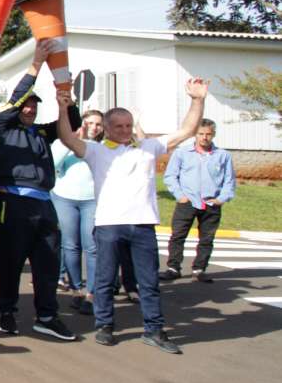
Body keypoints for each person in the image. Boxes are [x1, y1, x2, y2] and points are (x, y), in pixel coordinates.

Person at [55, 77, 210, 354]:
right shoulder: (96, 150)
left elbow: (186, 130)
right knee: (104, 279)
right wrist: (63, 109)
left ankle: (154, 329)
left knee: (148, 281)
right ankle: (104, 325)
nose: (125, 130)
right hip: (108, 225)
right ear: (107, 128)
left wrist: (197, 100)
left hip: (142, 225)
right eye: (119, 126)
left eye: (128, 125)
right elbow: (67, 137)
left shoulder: (149, 148)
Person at [0, 47, 82, 341]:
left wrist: (67, 100)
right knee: (11, 261)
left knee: (48, 263)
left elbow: (73, 124)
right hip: (13, 203)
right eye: (26, 106)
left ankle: (47, 316)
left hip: (44, 204)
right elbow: (16, 99)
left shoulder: (41, 132)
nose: (30, 109)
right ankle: (6, 312)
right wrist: (37, 63)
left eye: (34, 106)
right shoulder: (2, 126)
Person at [162, 118, 235, 283]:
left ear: (213, 135)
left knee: (207, 238)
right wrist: (180, 195)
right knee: (178, 235)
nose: (204, 138)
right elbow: (171, 176)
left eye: (208, 134)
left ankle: (200, 268)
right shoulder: (182, 153)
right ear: (195, 134)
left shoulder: (223, 156)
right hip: (187, 201)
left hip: (211, 203)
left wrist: (221, 199)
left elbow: (229, 181)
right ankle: (173, 268)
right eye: (201, 134)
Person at [54, 110, 104, 313]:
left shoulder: (103, 147)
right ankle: (77, 289)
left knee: (92, 247)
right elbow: (53, 164)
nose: (94, 127)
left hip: (92, 201)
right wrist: (72, 142)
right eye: (89, 122)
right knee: (70, 245)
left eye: (98, 124)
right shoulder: (64, 143)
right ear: (81, 123)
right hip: (65, 199)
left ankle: (92, 293)